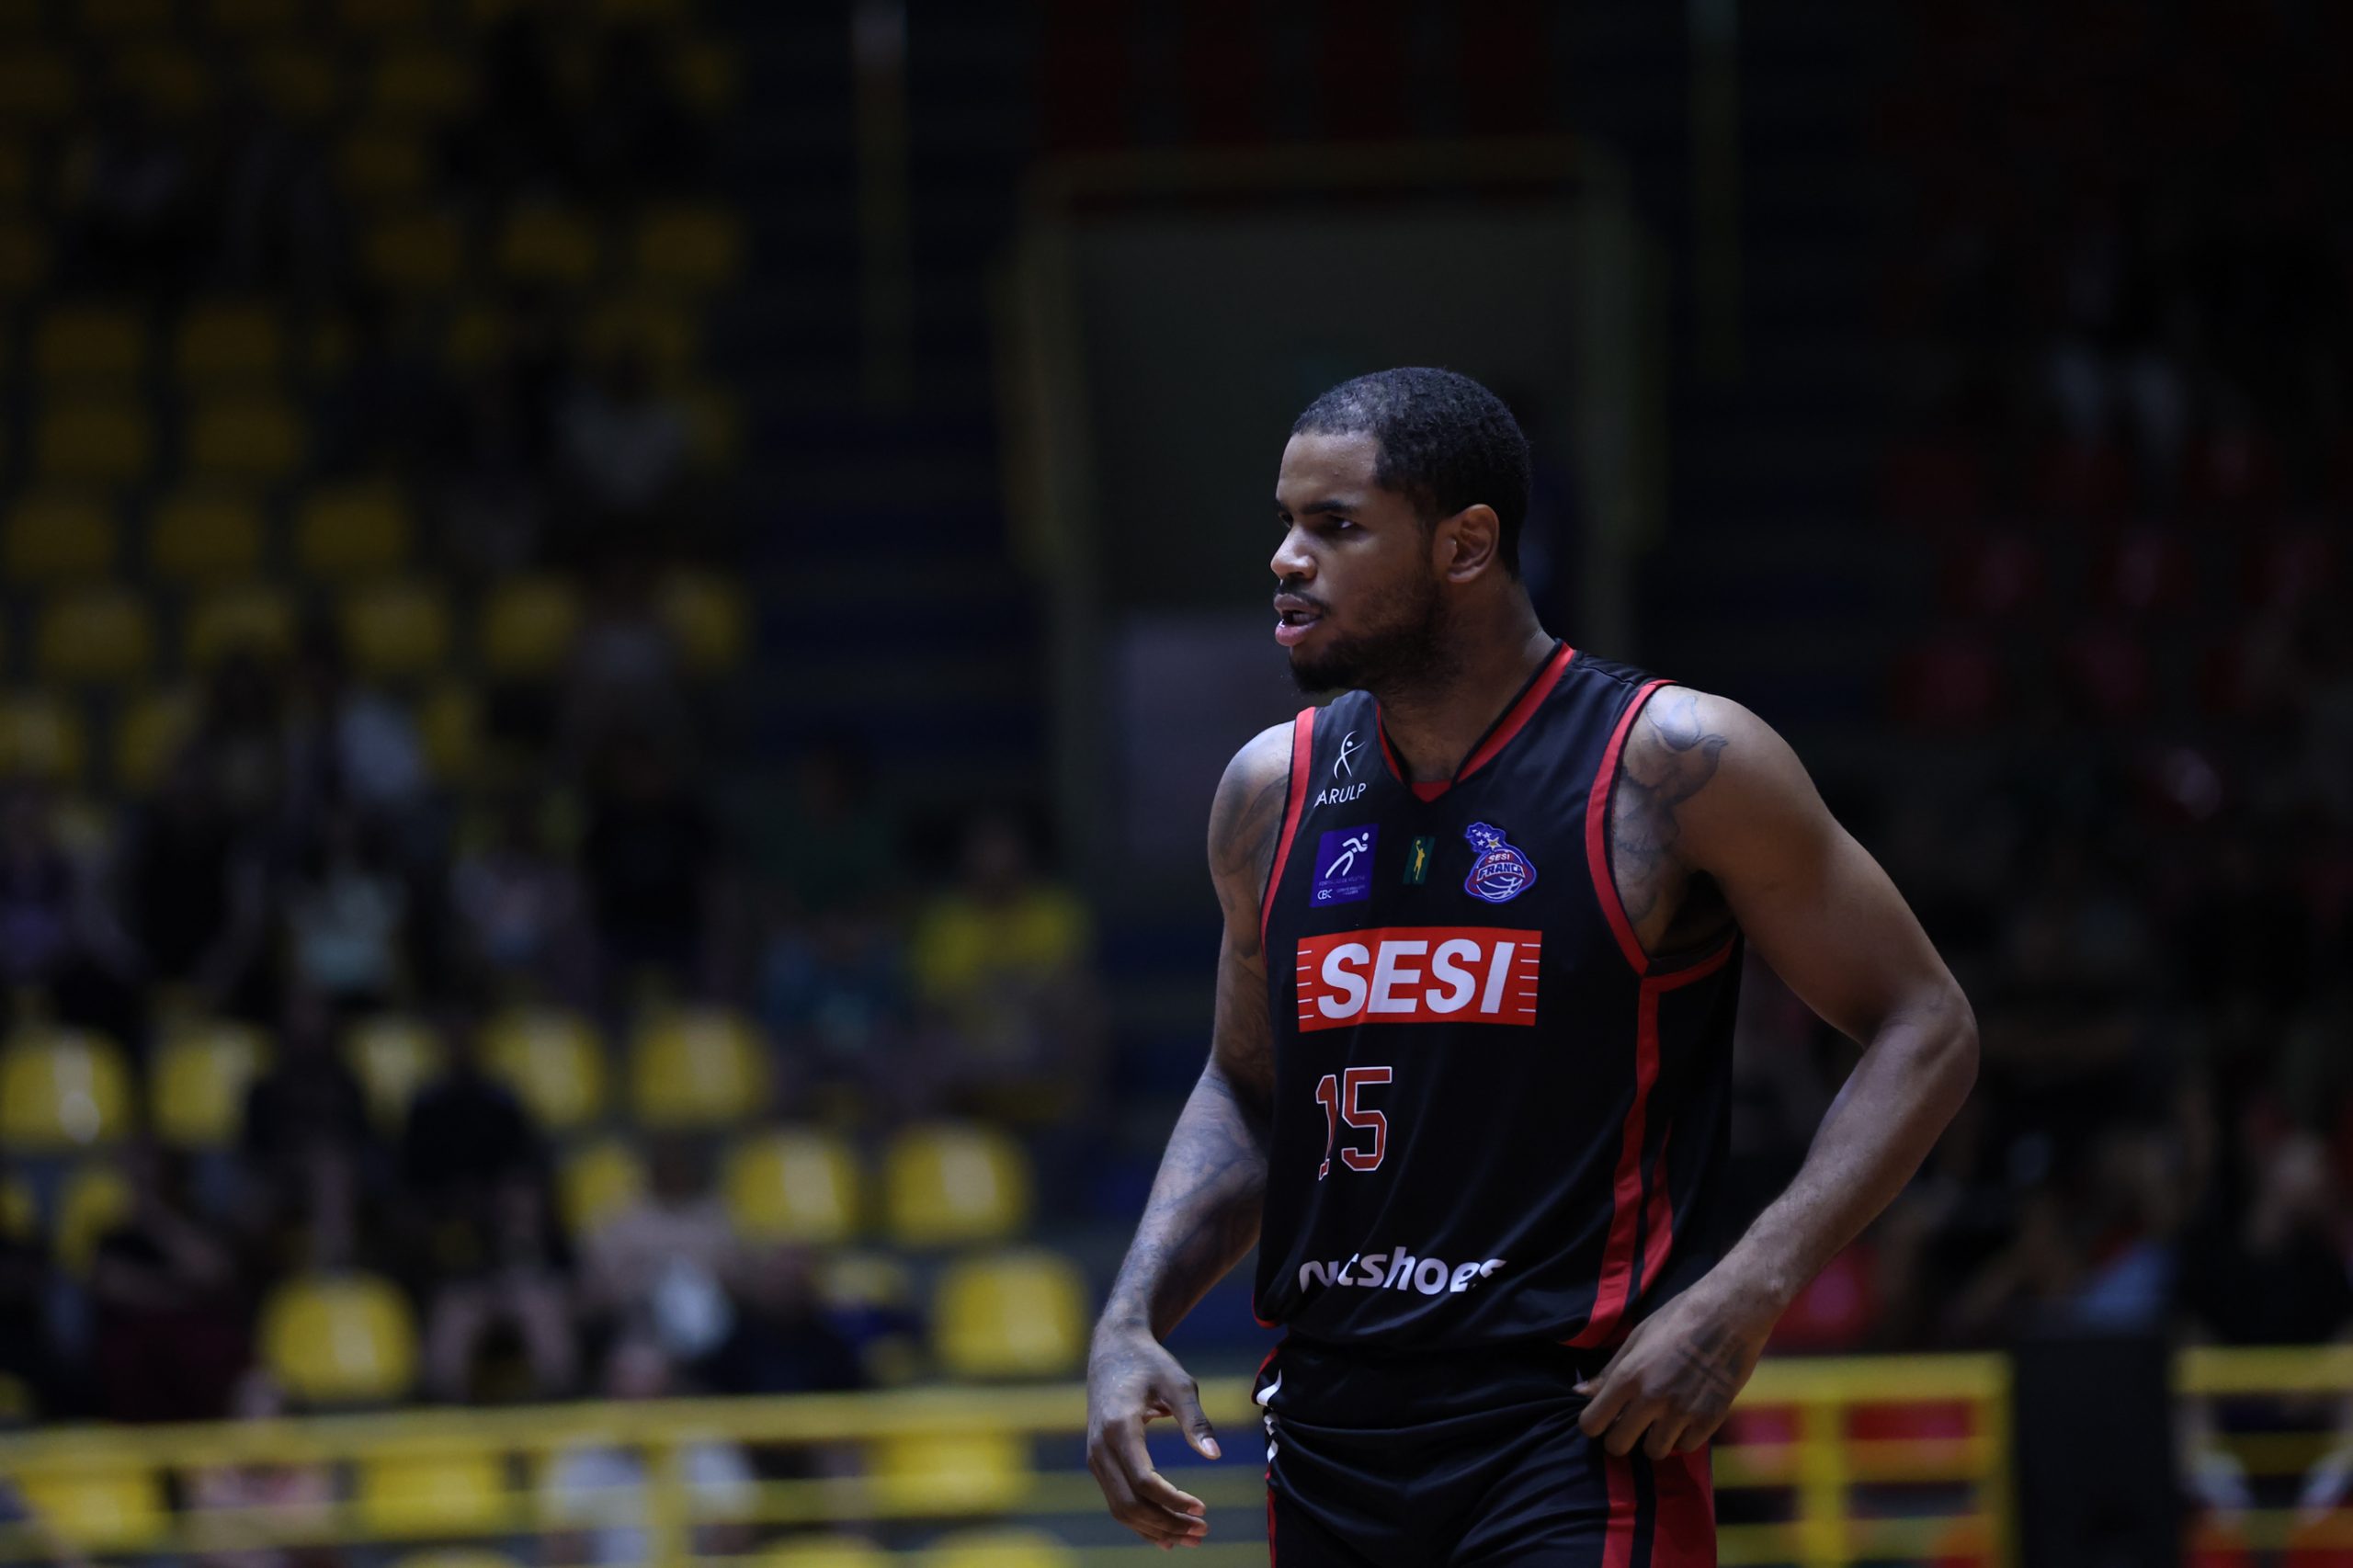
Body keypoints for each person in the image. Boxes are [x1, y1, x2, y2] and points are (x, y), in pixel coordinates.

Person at [1084, 369, 1979, 1562]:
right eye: (1287, 522)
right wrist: (1130, 1315)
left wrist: (1747, 1289)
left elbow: (1928, 1023)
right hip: (1333, 1430)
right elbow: (1251, 1089)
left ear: (1465, 545)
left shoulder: (1676, 764)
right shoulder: (1270, 790)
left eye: (1335, 525)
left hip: (1572, 1427)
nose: (1287, 559)